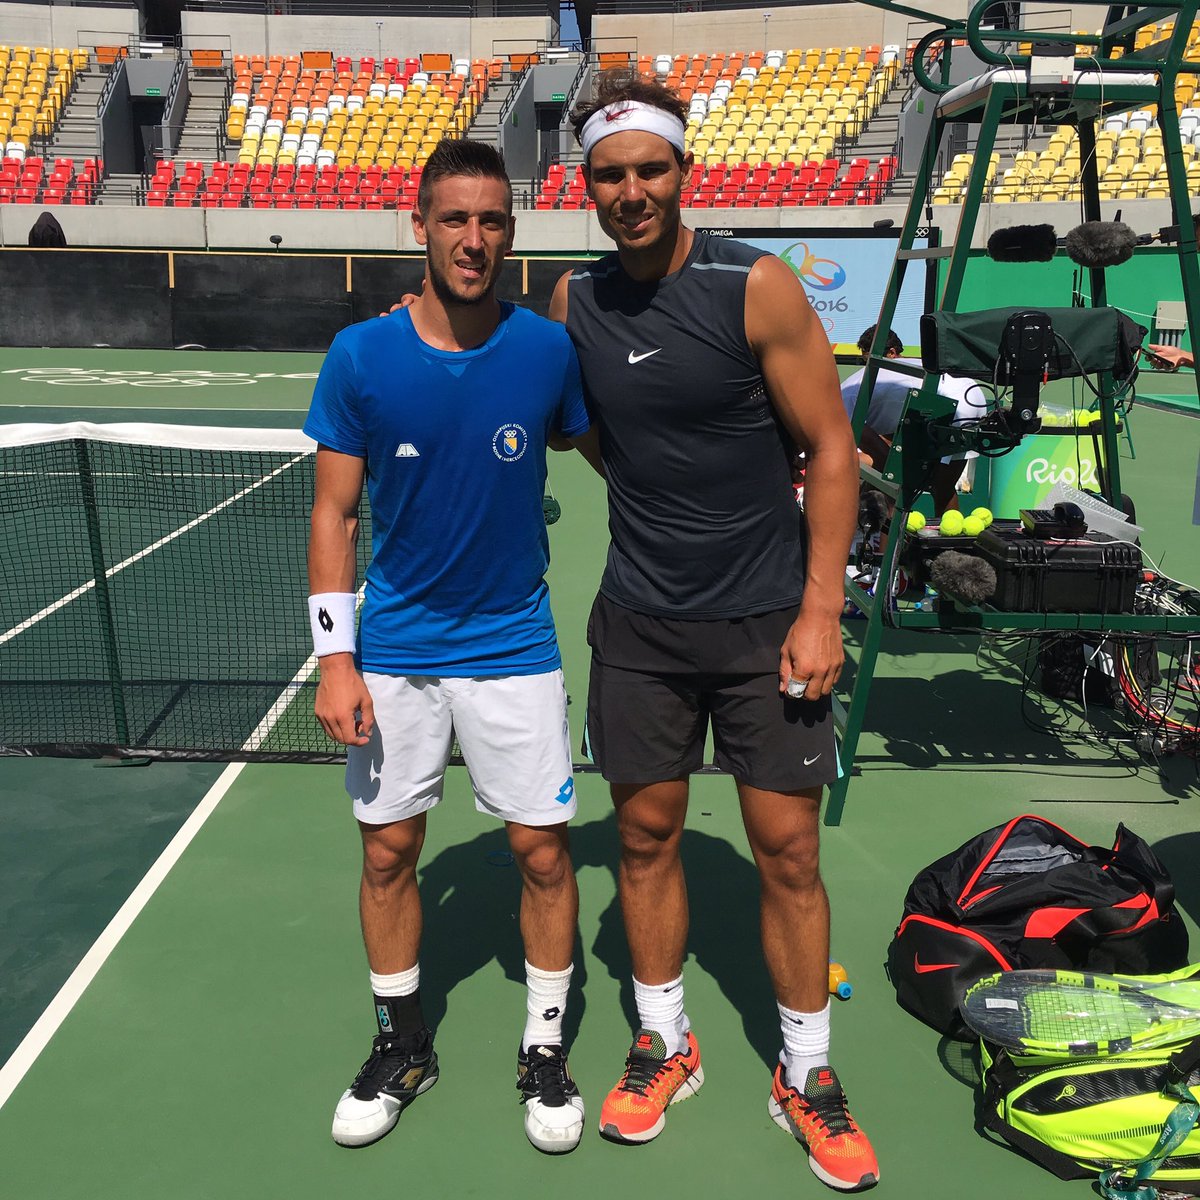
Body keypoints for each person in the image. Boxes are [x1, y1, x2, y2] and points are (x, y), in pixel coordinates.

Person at [550, 72, 879, 1191]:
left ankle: (809, 1072)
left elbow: (832, 449)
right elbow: (594, 438)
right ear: (585, 185)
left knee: (787, 852)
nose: (631, 192)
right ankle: (665, 1043)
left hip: (766, 626)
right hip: (640, 625)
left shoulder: (759, 285)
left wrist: (821, 608)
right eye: (610, 175)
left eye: (650, 170)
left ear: (684, 173)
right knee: (643, 839)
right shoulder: (575, 303)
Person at [304, 138, 590, 1155]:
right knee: (389, 850)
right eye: (455, 219)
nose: (474, 239)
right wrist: (336, 659)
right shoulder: (362, 357)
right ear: (417, 227)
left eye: (493, 221)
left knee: (541, 853)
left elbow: (589, 440)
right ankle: (401, 1044)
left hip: (515, 642)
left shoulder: (548, 352)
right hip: (395, 648)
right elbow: (334, 515)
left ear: (511, 233)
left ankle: (546, 1049)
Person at [841, 324, 987, 513]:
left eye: (866, 359)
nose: (866, 364)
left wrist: (896, 478)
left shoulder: (846, 394)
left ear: (892, 352)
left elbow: (879, 456)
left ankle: (892, 539)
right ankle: (948, 538)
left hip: (957, 404)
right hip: (973, 397)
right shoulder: (911, 367)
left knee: (896, 486)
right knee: (942, 488)